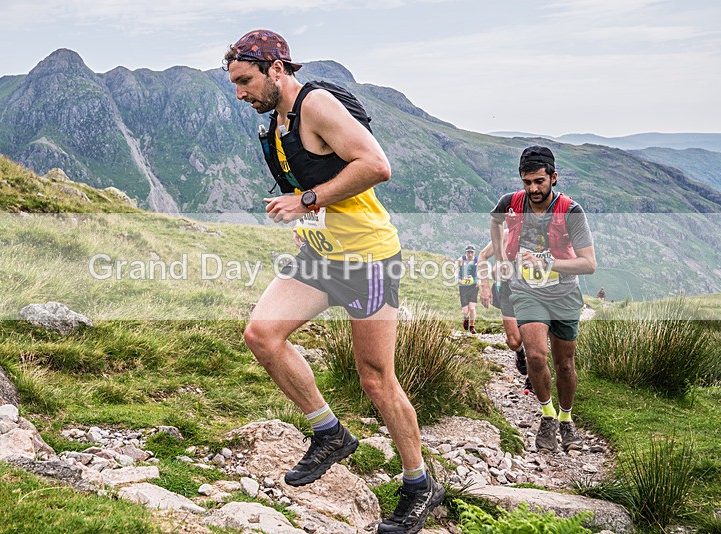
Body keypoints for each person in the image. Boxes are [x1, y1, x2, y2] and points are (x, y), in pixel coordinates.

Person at [224, 30, 443, 532]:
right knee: (262, 334)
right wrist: (306, 224)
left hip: (367, 258)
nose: (239, 93)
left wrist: (306, 202)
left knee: (375, 378)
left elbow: (376, 166)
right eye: (235, 83)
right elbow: (305, 181)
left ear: (276, 68)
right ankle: (329, 433)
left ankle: (419, 483)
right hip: (321, 257)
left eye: (244, 81)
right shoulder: (274, 122)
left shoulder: (316, 105)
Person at [489, 146, 596, 453]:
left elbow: (588, 264)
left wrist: (548, 263)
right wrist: (500, 257)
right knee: (535, 356)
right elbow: (495, 222)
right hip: (526, 292)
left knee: (564, 364)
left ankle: (566, 419)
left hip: (563, 294)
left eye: (539, 181)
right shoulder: (510, 203)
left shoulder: (572, 212)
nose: (533, 188)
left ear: (553, 177)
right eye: (527, 182)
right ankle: (547, 416)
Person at [477, 233, 534, 396]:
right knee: (514, 341)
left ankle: (532, 379)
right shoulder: (506, 234)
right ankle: (519, 353)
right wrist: (485, 287)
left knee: (532, 336)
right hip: (508, 291)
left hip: (533, 292)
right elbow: (483, 256)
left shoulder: (540, 233)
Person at [456, 244, 479, 334]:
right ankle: (466, 318)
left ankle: (472, 326)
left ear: (474, 252)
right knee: (465, 311)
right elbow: (455, 270)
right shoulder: (461, 260)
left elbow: (482, 270)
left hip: (473, 286)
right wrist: (457, 279)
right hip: (463, 287)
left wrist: (479, 280)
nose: (470, 254)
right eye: (468, 252)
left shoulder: (477, 260)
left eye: (472, 252)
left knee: (472, 308)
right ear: (465, 252)